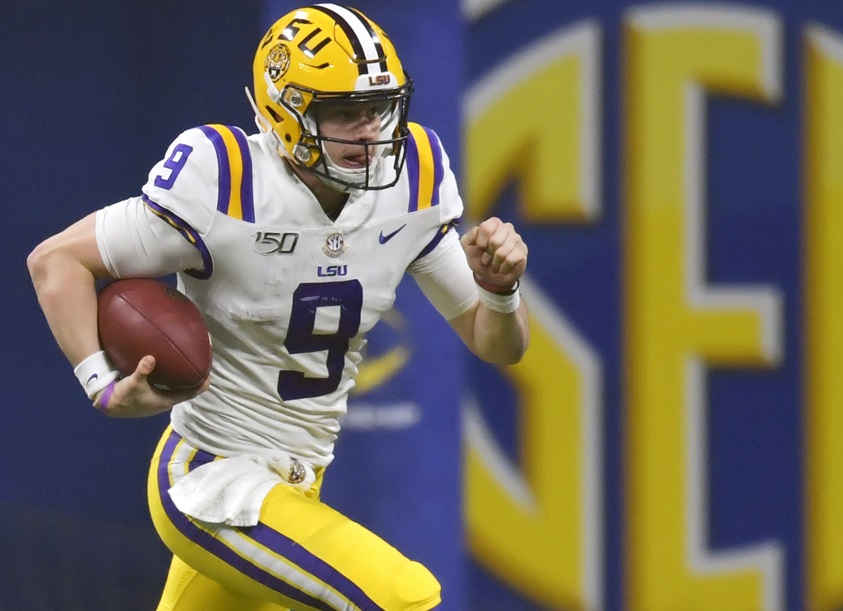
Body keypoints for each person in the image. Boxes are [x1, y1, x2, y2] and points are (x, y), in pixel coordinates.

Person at [26, 4, 528, 610]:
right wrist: (101, 383)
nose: (369, 132)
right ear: (285, 111)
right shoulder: (226, 179)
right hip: (211, 479)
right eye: (344, 113)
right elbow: (56, 261)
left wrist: (501, 290)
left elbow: (495, 341)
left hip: (298, 482)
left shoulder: (411, 177)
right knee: (402, 597)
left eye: (377, 109)